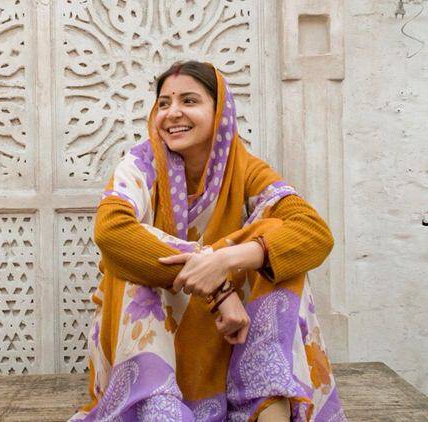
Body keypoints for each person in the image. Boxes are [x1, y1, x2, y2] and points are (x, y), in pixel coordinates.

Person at [71, 61, 346, 421]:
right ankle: (158, 405)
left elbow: (314, 233)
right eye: (164, 103)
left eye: (189, 100)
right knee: (128, 260)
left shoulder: (245, 169)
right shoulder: (141, 164)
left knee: (277, 249)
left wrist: (225, 260)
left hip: (229, 336)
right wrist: (217, 287)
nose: (173, 113)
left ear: (220, 112)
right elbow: (111, 230)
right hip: (158, 343)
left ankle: (264, 397)